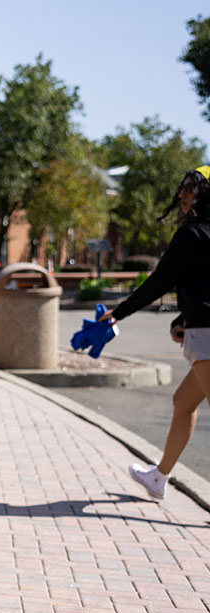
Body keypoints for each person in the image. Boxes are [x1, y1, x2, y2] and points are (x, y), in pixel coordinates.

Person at [101, 166, 210, 501]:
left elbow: (159, 282)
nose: (182, 194)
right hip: (202, 329)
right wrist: (183, 318)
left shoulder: (192, 235)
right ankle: (159, 477)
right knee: (183, 402)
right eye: (183, 188)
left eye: (190, 188)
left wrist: (117, 314)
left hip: (207, 338)